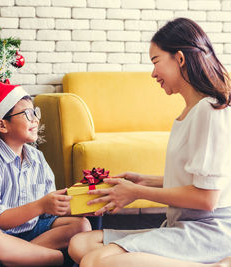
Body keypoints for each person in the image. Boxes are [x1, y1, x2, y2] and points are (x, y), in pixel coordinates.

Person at [68, 17, 231, 267]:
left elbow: (207, 198)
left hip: (210, 231)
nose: (153, 73)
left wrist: (137, 193)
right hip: (184, 224)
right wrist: (145, 180)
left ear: (180, 58)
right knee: (79, 244)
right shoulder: (192, 111)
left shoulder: (209, 110)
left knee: (95, 261)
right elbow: (198, 181)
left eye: (156, 62)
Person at [0, 77, 91, 267]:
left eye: (35, 112)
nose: (36, 119)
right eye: (27, 114)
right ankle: (53, 259)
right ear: (2, 125)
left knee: (81, 226)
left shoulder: (37, 157)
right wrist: (41, 206)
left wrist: (77, 204)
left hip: (26, 232)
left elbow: (47, 214)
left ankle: (17, 258)